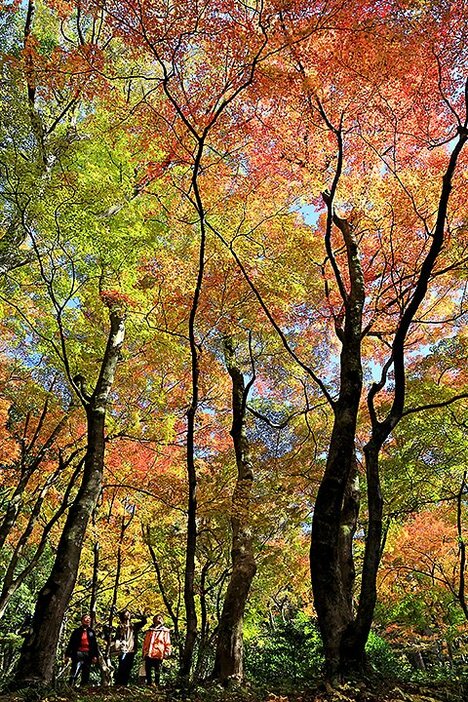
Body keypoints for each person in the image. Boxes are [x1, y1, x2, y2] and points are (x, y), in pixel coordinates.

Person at [113, 609, 147, 686]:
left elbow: (144, 622)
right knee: (122, 666)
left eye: (129, 614)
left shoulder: (134, 626)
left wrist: (141, 615)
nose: (128, 615)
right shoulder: (120, 626)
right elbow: (117, 638)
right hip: (123, 649)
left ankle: (124, 684)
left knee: (128, 667)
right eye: (126, 614)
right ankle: (118, 683)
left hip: (131, 649)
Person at [65, 614, 99, 687]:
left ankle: (83, 688)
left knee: (86, 672)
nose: (87, 620)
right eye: (86, 618)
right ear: (82, 620)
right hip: (78, 653)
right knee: (75, 670)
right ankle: (70, 686)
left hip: (88, 654)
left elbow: (94, 645)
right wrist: (67, 655)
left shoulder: (91, 632)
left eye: (89, 619)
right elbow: (71, 644)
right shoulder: (76, 631)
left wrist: (95, 656)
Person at [142, 614, 171, 687]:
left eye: (161, 618)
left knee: (157, 669)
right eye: (158, 618)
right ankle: (149, 684)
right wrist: (144, 652)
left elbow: (167, 642)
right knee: (148, 669)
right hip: (149, 653)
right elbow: (145, 642)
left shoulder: (165, 631)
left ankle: (157, 684)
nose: (159, 619)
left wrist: (167, 652)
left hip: (158, 653)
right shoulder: (149, 630)